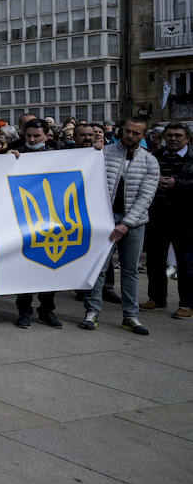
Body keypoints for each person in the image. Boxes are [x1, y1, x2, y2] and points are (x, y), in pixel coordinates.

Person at [83, 118, 160, 334]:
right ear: (122, 131)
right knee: (98, 267)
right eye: (127, 131)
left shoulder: (150, 161)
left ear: (143, 136)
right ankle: (92, 311)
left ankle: (131, 316)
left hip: (133, 223)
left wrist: (126, 223)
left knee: (130, 270)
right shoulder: (104, 153)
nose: (130, 136)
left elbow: (146, 197)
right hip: (104, 220)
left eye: (136, 133)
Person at [6, 121, 63, 329]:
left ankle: (47, 310)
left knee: (50, 266)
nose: (31, 140)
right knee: (26, 267)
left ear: (47, 135)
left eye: (36, 136)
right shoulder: (14, 154)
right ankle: (24, 310)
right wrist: (5, 160)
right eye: (28, 136)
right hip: (22, 218)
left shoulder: (59, 155)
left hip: (51, 218)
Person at [142, 122, 193, 319]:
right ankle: (157, 299)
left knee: (186, 263)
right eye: (169, 135)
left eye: (178, 135)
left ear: (187, 138)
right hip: (158, 217)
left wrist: (176, 183)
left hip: (186, 220)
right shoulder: (155, 156)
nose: (173, 139)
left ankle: (187, 304)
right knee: (155, 261)